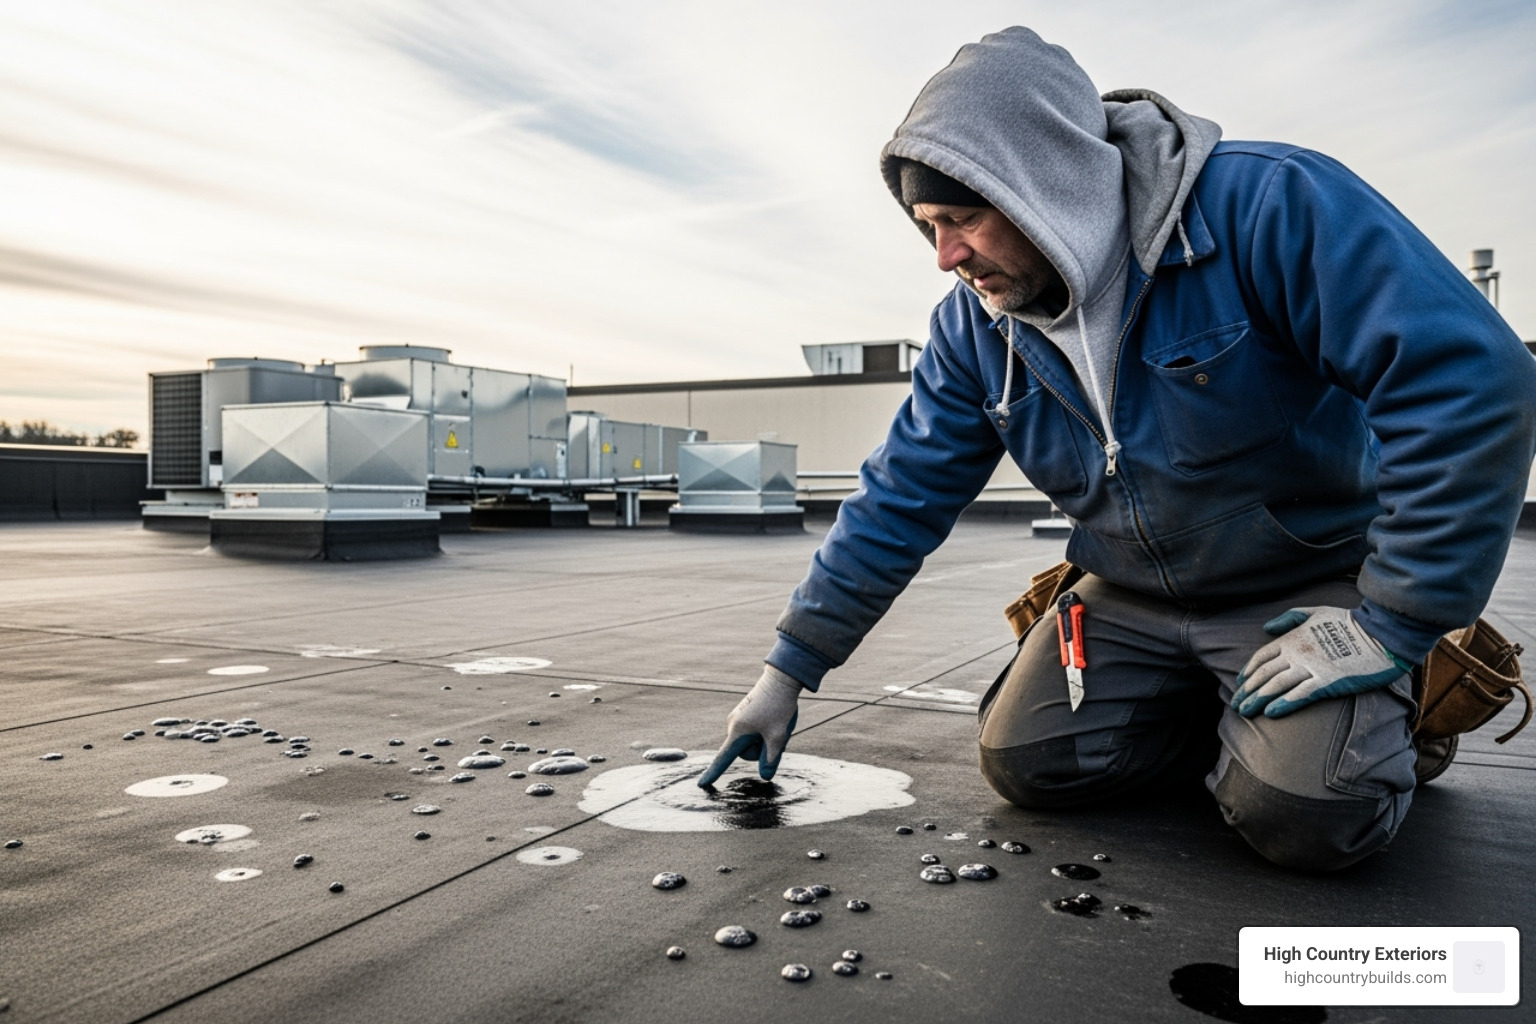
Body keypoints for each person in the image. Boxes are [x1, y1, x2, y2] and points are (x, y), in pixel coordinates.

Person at [699, 27, 1536, 870]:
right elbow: (898, 496)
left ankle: (1399, 723)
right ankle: (1231, 718)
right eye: (928, 227)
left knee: (1305, 816)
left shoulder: (1266, 208)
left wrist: (1390, 626)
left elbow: (1472, 377)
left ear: (1040, 186)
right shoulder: (973, 327)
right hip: (1130, 591)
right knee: (1025, 763)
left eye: (963, 219)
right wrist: (788, 672)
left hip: (1298, 583)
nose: (947, 256)